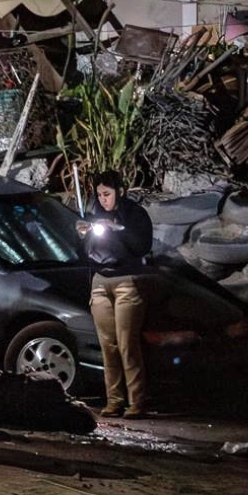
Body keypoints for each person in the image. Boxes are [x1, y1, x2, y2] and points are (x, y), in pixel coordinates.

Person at [80, 169, 154, 419]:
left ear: (120, 192)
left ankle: (137, 401)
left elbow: (142, 245)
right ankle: (114, 400)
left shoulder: (135, 214)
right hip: (100, 281)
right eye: (100, 195)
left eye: (107, 194)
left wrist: (117, 228)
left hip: (127, 281)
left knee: (127, 343)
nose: (103, 200)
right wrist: (84, 234)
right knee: (107, 344)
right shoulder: (95, 216)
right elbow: (85, 251)